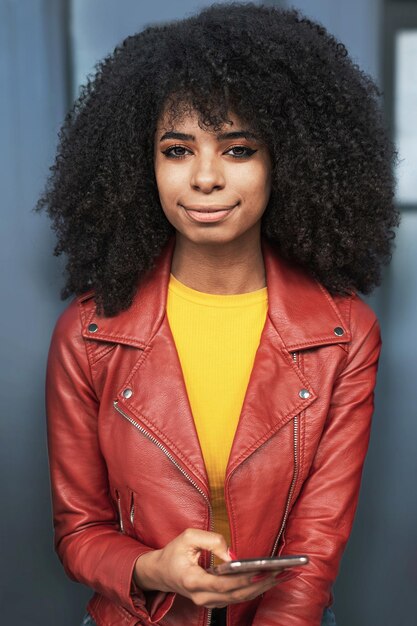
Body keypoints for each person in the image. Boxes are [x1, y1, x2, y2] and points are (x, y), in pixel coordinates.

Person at [37, 3, 399, 625]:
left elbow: (317, 542)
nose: (204, 177)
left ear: (287, 161)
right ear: (139, 165)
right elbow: (81, 533)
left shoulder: (344, 335)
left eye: (238, 149)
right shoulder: (89, 333)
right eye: (177, 149)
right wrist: (153, 569)